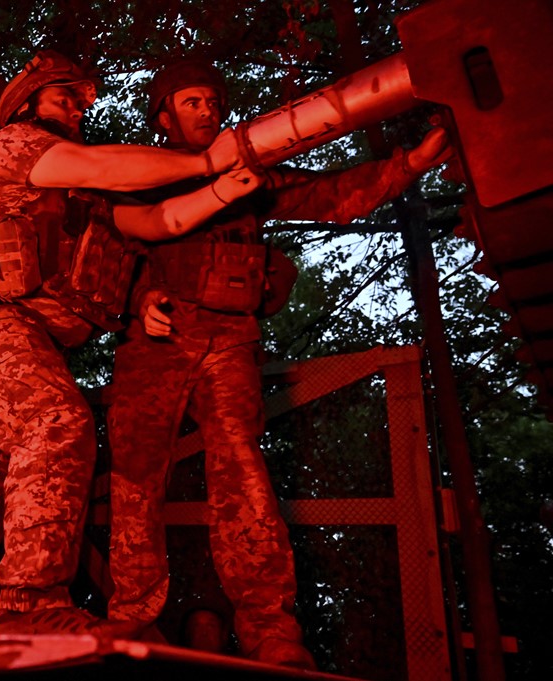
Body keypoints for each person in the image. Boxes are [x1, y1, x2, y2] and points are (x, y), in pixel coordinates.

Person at [0, 49, 263, 639]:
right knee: (57, 421)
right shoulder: (14, 146)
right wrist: (204, 159)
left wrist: (220, 188)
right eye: (68, 98)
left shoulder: (77, 194)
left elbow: (155, 221)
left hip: (26, 337)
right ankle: (29, 603)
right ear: (28, 101)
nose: (81, 110)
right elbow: (106, 167)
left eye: (84, 103)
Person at [104, 58, 452, 668]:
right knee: (136, 481)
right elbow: (106, 253)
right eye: (191, 101)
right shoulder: (141, 175)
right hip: (155, 345)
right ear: (163, 114)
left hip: (230, 338)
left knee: (244, 475)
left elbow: (326, 194)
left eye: (212, 100)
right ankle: (130, 622)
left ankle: (272, 632)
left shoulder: (249, 173)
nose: (207, 109)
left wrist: (408, 167)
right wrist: (140, 299)